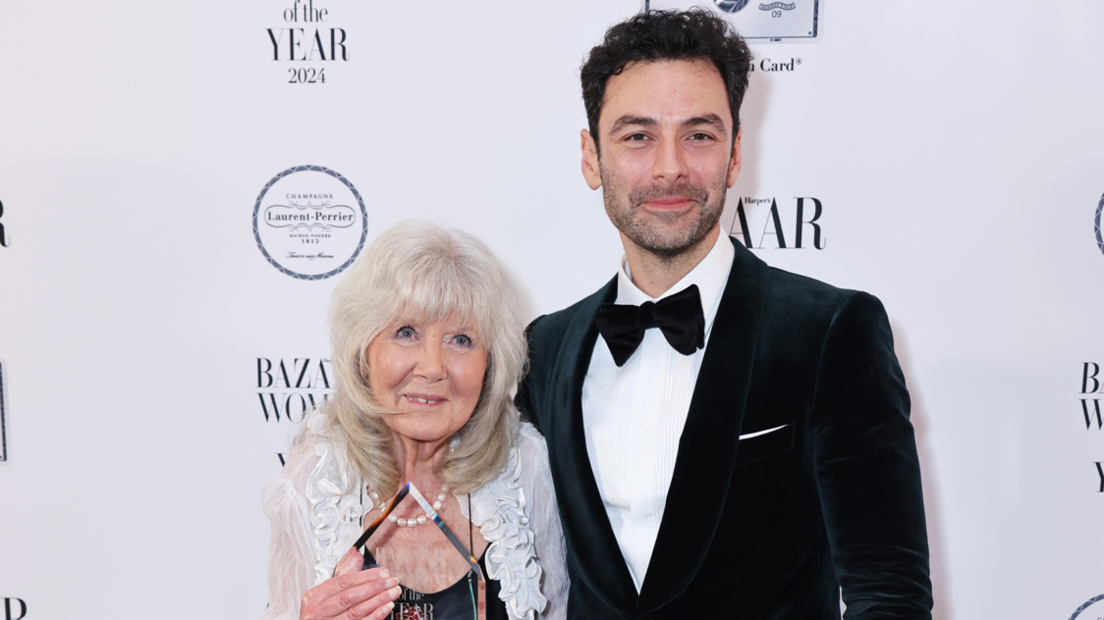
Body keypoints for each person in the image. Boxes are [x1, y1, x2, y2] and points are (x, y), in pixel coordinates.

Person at [516, 9, 933, 619]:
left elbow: (888, 592)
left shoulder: (830, 332)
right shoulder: (545, 349)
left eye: (700, 135)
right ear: (590, 156)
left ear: (736, 153)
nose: (669, 168)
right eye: (637, 136)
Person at [261, 220, 568, 620]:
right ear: (363, 348)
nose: (432, 368)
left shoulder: (525, 466)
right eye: (406, 332)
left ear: (490, 363)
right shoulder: (313, 483)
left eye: (461, 340)